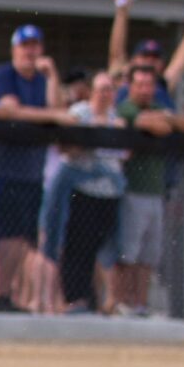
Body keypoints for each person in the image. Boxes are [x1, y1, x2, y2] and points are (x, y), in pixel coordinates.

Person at [0, 22, 58, 311]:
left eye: (35, 46)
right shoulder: (4, 75)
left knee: (24, 237)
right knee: (6, 235)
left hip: (32, 171)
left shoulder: (42, 79)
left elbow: (58, 107)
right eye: (25, 46)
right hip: (4, 169)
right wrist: (52, 115)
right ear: (15, 49)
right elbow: (11, 108)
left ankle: (7, 295)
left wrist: (52, 77)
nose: (30, 51)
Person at [43, 71, 126, 313]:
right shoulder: (79, 113)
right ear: (92, 91)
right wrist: (92, 133)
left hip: (108, 194)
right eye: (100, 89)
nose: (105, 94)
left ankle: (96, 300)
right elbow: (64, 146)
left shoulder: (115, 118)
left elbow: (124, 154)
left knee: (101, 248)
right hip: (79, 191)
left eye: (109, 89)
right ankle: (72, 299)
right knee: (74, 247)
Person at [111, 59, 180, 316]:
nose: (144, 89)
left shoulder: (160, 106)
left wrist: (165, 117)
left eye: (148, 85)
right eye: (139, 84)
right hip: (132, 191)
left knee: (149, 255)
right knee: (128, 252)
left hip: (155, 193)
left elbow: (183, 126)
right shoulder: (125, 107)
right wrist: (165, 119)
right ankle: (121, 302)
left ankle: (140, 304)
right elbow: (153, 125)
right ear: (130, 86)